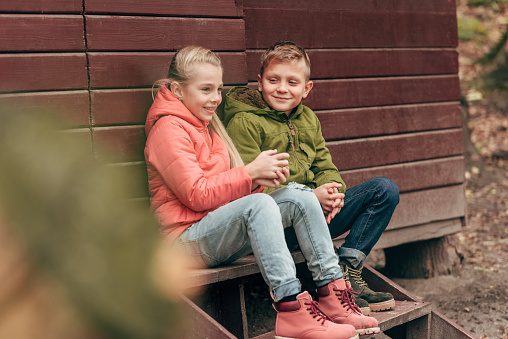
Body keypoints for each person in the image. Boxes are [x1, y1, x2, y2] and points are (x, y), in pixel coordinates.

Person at [144, 45, 380, 338]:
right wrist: (249, 173)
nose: (215, 98)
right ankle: (291, 308)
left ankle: (332, 294)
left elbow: (227, 193)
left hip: (215, 231)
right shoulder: (168, 129)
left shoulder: (206, 124)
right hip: (182, 241)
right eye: (206, 89)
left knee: (299, 195)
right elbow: (196, 195)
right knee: (260, 204)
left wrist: (260, 179)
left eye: (218, 89)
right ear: (178, 90)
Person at [223, 41, 400, 315]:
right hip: (278, 227)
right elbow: (250, 189)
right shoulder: (244, 122)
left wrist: (333, 193)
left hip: (317, 213)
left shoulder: (308, 119)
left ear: (306, 88)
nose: (282, 88)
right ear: (260, 82)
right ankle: (331, 288)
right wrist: (310, 197)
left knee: (384, 190)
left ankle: (348, 267)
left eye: (292, 82)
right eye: (273, 80)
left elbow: (324, 165)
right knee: (297, 201)